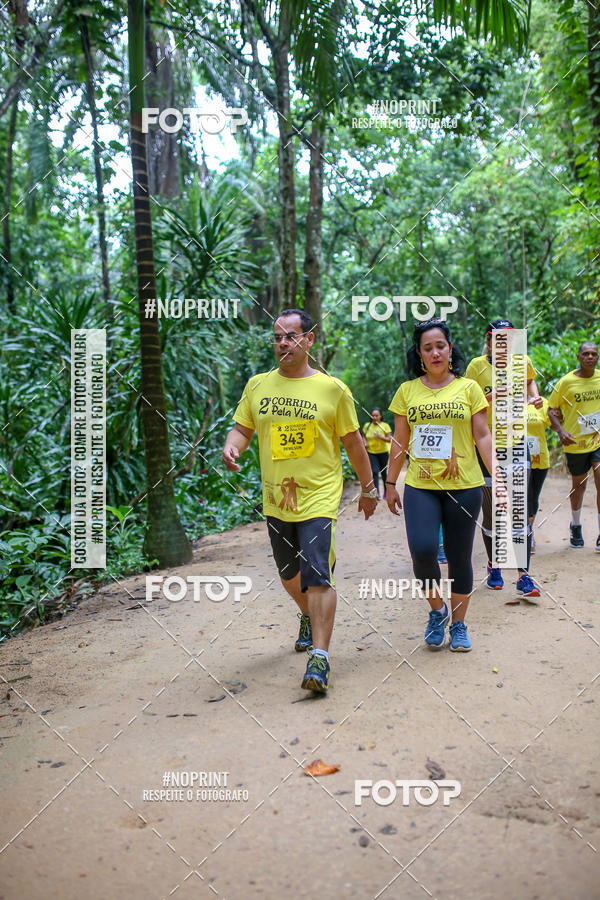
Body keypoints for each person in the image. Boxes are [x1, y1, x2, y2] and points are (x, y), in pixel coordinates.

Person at [222, 308, 377, 693]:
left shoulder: (332, 389)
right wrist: (232, 447)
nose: (282, 343)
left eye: (291, 336)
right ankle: (307, 615)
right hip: (277, 500)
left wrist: (369, 488)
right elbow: (243, 428)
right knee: (289, 576)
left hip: (320, 497)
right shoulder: (258, 386)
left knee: (316, 573)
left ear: (309, 340)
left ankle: (320, 659)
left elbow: (354, 443)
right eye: (277, 337)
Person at [386, 318, 493, 652]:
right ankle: (437, 610)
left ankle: (459, 625)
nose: (435, 353)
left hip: (465, 484)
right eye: (427, 348)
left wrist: (499, 478)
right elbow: (399, 441)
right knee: (423, 551)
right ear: (418, 354)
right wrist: (390, 483)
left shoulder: (469, 388)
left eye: (440, 346)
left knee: (460, 558)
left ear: (450, 349)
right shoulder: (407, 391)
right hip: (420, 485)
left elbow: (483, 435)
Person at [465, 319, 543, 598]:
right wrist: (490, 395)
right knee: (493, 512)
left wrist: (534, 397)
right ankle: (494, 565)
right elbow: (467, 403)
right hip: (487, 448)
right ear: (488, 340)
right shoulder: (476, 366)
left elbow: (530, 382)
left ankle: (523, 576)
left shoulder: (522, 361)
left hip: (517, 444)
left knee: (519, 512)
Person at [548, 341, 600, 551]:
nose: (590, 357)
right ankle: (576, 525)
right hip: (575, 444)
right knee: (579, 487)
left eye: (594, 354)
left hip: (597, 441)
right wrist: (561, 432)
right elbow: (552, 410)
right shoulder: (566, 382)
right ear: (578, 357)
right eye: (586, 354)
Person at [526, 396, 553, 554]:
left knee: (533, 497)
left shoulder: (541, 402)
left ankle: (529, 531)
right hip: (516, 459)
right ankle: (526, 535)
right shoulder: (505, 403)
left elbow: (555, 424)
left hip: (539, 459)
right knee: (523, 497)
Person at [361, 408, 392, 498]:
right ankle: (376, 492)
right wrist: (365, 443)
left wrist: (380, 437)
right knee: (374, 472)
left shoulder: (385, 426)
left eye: (376, 415)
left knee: (383, 473)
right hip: (371, 453)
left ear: (380, 416)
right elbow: (363, 436)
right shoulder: (367, 426)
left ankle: (386, 492)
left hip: (383, 452)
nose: (374, 417)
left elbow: (389, 439)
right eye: (373, 415)